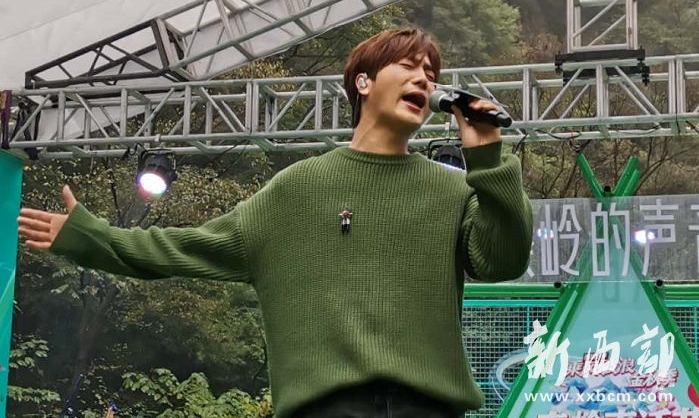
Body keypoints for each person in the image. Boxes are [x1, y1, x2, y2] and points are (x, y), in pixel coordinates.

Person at [17, 28, 533, 418]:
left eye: (431, 73)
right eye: (408, 65)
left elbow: (504, 260)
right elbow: (183, 247)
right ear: (363, 81)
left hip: (431, 408)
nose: (424, 78)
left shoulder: (451, 189)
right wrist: (89, 237)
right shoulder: (297, 190)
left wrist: (487, 158)